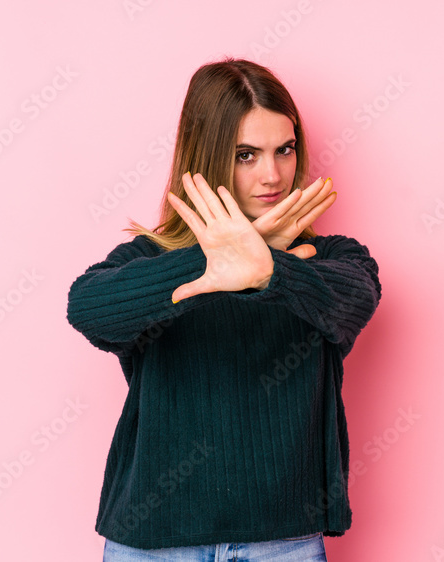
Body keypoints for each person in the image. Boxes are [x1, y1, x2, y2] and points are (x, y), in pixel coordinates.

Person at [65, 57, 382, 562]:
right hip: (153, 545)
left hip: (284, 543)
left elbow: (354, 301)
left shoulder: (330, 260)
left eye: (284, 149)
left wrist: (269, 270)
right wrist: (210, 265)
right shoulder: (152, 261)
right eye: (245, 155)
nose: (273, 174)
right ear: (209, 158)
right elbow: (89, 309)